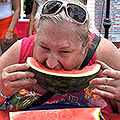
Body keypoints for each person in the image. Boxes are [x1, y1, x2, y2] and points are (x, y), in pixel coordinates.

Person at [0, 0, 120, 114]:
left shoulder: (105, 55)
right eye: (44, 47)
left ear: (86, 46)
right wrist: (2, 92)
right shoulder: (21, 50)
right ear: (36, 37)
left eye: (64, 52)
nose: (51, 63)